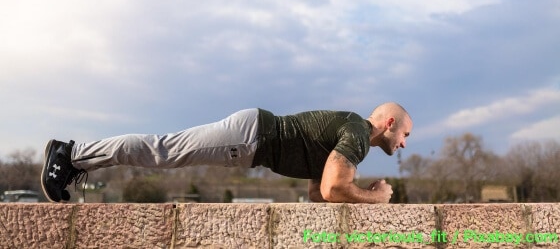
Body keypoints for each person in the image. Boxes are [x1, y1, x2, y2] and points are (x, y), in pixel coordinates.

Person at [41, 102, 412, 203]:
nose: (405, 144)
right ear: (390, 122)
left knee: (164, 150)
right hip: (252, 137)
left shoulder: (349, 136)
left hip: (252, 136)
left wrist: (351, 189)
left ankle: (74, 156)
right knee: (163, 151)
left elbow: (319, 192)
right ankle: (71, 154)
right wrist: (376, 198)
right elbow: (334, 190)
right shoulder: (358, 134)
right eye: (406, 134)